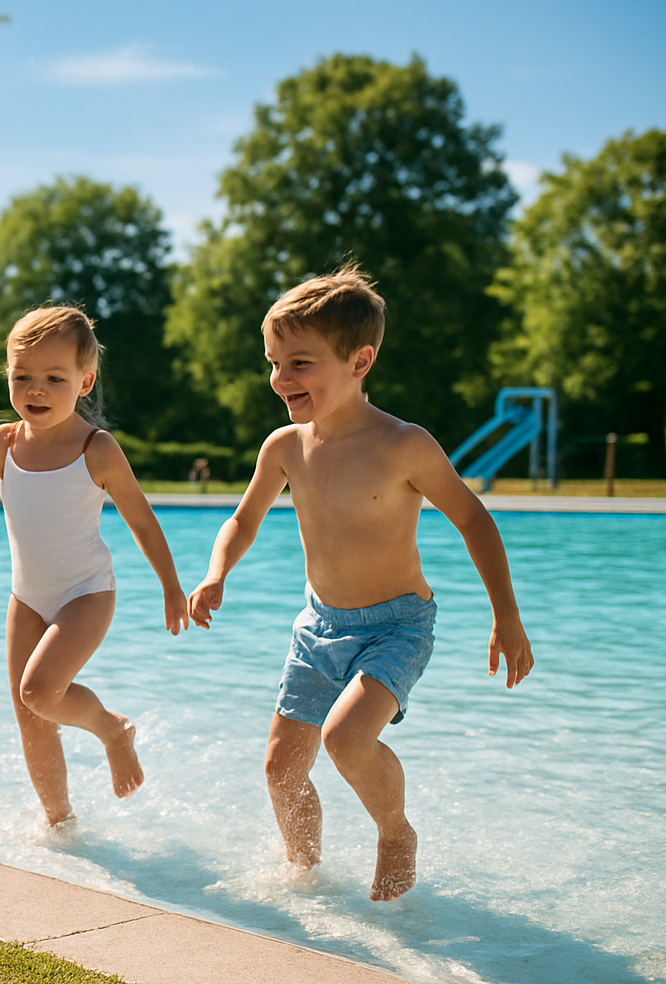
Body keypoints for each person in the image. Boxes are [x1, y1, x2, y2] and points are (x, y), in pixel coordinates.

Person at [186, 266, 535, 902]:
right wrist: (217, 573)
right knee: (281, 769)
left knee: (346, 738)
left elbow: (474, 521)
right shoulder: (285, 448)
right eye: (274, 363)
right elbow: (243, 518)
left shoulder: (404, 445)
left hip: (397, 625)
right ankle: (305, 878)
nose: (280, 380)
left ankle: (395, 831)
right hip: (319, 625)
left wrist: (505, 617)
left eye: (299, 363)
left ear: (360, 360)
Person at [0, 307, 188, 826]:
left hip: (86, 594)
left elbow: (143, 521)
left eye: (53, 378)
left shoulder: (97, 448)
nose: (35, 390)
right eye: (22, 377)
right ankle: (60, 824)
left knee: (41, 692)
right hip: (26, 598)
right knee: (31, 716)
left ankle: (112, 729)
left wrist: (171, 587)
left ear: (85, 381)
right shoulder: (2, 443)